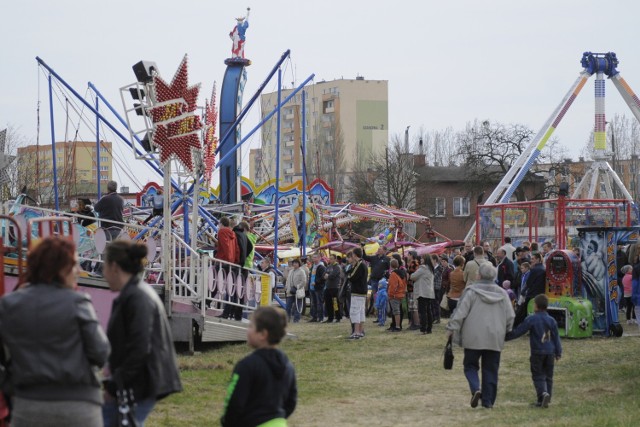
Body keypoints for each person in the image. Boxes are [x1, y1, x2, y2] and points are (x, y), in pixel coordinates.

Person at [0, 236, 110, 427]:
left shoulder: (8, 305)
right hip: (79, 404)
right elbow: (100, 353)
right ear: (59, 268)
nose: (78, 271)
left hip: (28, 404)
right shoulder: (79, 302)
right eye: (74, 264)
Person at [101, 240, 182, 427]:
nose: (103, 274)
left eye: (104, 266)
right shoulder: (135, 293)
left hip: (138, 383)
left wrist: (116, 384)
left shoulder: (137, 298)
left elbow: (139, 347)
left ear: (114, 267)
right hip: (136, 382)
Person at [446, 263, 515, 409]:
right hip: (495, 336)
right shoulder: (502, 293)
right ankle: (488, 401)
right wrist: (507, 330)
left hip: (473, 336)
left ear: (479, 275)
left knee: (470, 366)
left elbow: (460, 312)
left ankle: (475, 387)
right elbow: (510, 316)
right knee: (491, 369)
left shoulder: (471, 292)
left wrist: (451, 328)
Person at [221, 306, 297, 426]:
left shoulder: (246, 366)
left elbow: (234, 404)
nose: (247, 330)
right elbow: (291, 402)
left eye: (251, 326)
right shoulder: (288, 366)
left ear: (262, 334)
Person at [506, 294, 562, 408]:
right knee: (548, 376)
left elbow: (520, 331)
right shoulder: (551, 320)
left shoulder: (531, 319)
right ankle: (547, 397)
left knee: (538, 375)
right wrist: (558, 352)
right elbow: (556, 337)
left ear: (535, 306)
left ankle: (542, 395)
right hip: (550, 353)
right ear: (547, 306)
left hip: (537, 352)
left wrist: (506, 337)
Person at [362, 245, 390, 316]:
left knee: (383, 296)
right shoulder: (374, 257)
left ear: (384, 251)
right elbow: (365, 257)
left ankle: (384, 313)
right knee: (375, 297)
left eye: (380, 249)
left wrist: (387, 276)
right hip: (374, 280)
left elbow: (389, 268)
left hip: (382, 281)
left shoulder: (387, 259)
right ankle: (377, 314)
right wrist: (363, 249)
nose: (378, 250)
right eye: (378, 249)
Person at [347, 248, 368, 339]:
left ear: (355, 255)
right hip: (362, 292)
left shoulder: (359, 265)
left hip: (357, 292)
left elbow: (351, 277)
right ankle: (360, 331)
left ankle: (356, 332)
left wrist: (348, 274)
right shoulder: (363, 264)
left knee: (355, 312)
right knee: (361, 312)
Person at [411, 254, 435, 334]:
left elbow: (413, 276)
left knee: (422, 312)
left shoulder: (422, 268)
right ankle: (429, 329)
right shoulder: (431, 268)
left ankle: (423, 329)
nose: (421, 259)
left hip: (422, 292)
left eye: (422, 258)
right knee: (428, 311)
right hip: (429, 292)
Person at [387, 258, 407, 332]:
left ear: (391, 266)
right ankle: (398, 325)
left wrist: (390, 294)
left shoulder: (393, 274)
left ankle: (397, 326)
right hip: (400, 294)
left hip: (395, 295)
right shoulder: (402, 273)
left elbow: (393, 286)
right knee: (398, 310)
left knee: (396, 311)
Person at [285, 259, 306, 323]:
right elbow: (288, 280)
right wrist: (286, 287)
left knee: (298, 306)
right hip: (290, 291)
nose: (294, 264)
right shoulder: (291, 271)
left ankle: (296, 319)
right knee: (288, 306)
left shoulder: (302, 271)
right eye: (293, 263)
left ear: (299, 264)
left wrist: (297, 287)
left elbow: (304, 281)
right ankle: (287, 319)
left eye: (296, 263)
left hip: (298, 292)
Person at [323, 254, 343, 323]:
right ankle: (330, 317)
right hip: (328, 287)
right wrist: (327, 275)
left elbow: (333, 275)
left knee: (335, 303)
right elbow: (324, 274)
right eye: (329, 258)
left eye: (331, 259)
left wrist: (328, 275)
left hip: (335, 287)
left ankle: (338, 317)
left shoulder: (337, 267)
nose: (330, 260)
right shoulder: (328, 266)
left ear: (335, 259)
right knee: (328, 303)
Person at [308, 253, 326, 322]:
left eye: (315, 257)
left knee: (319, 303)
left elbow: (323, 277)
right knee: (314, 303)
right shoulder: (313, 266)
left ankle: (321, 317)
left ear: (319, 258)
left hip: (319, 288)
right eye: (313, 257)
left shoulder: (321, 267)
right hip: (312, 288)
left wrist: (316, 282)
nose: (313, 259)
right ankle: (314, 317)